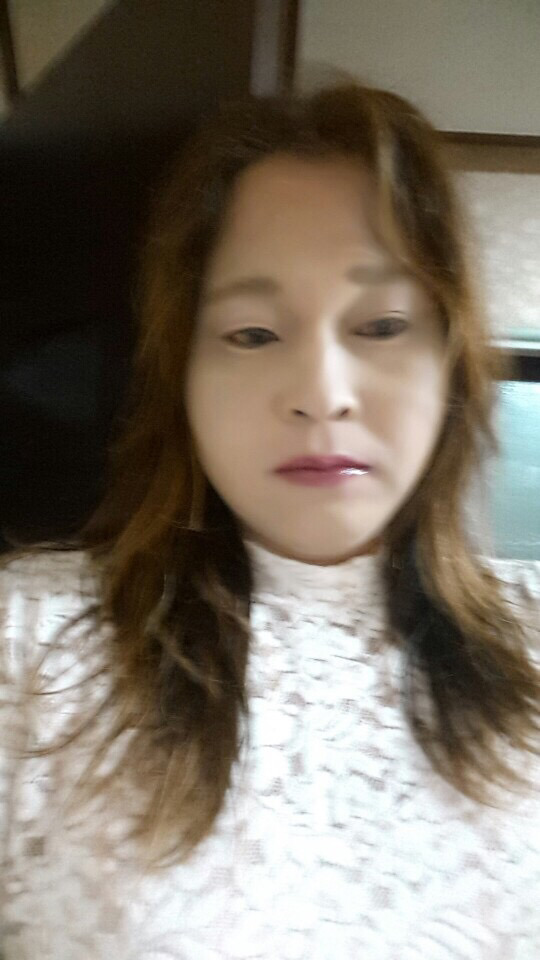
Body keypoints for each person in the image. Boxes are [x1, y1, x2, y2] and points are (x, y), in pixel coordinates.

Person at [0, 81, 539, 960]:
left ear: (450, 363)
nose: (322, 395)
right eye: (252, 334)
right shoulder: (30, 639)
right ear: (182, 374)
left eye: (382, 324)